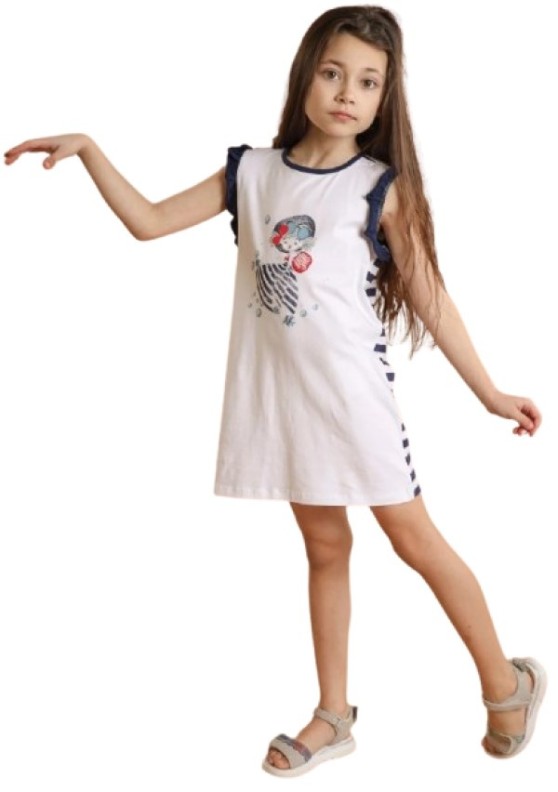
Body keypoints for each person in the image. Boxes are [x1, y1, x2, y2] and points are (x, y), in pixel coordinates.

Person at [3, 3, 546, 779]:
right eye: (333, 73)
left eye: (368, 82)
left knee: (413, 541)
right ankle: (334, 714)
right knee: (325, 547)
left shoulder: (377, 186)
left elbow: (431, 296)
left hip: (354, 403)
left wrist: (488, 391)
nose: (347, 93)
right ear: (305, 77)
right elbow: (149, 222)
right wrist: (90, 148)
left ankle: (506, 683)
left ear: (385, 98)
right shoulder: (251, 173)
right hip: (281, 403)